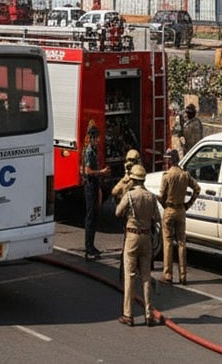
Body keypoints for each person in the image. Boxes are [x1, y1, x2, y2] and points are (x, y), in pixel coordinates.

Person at [115, 164, 161, 327]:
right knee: (146, 276)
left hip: (132, 237)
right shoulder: (151, 197)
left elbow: (118, 212)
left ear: (133, 179)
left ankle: (128, 314)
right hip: (146, 237)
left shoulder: (130, 195)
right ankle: (149, 314)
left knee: (130, 276)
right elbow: (157, 218)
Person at [158, 148, 200, 285]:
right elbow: (197, 189)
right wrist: (188, 204)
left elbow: (162, 196)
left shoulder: (167, 176)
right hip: (181, 210)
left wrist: (163, 204)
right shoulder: (185, 175)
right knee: (182, 243)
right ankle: (183, 276)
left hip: (169, 209)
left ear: (170, 161)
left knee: (168, 242)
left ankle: (168, 275)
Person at [80, 123, 109, 261]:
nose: (98, 140)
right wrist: (101, 172)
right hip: (90, 185)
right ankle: (89, 248)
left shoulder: (94, 150)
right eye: (97, 138)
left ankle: (92, 245)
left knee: (95, 216)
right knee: (90, 217)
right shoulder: (89, 151)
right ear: (92, 138)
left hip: (95, 185)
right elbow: (87, 171)